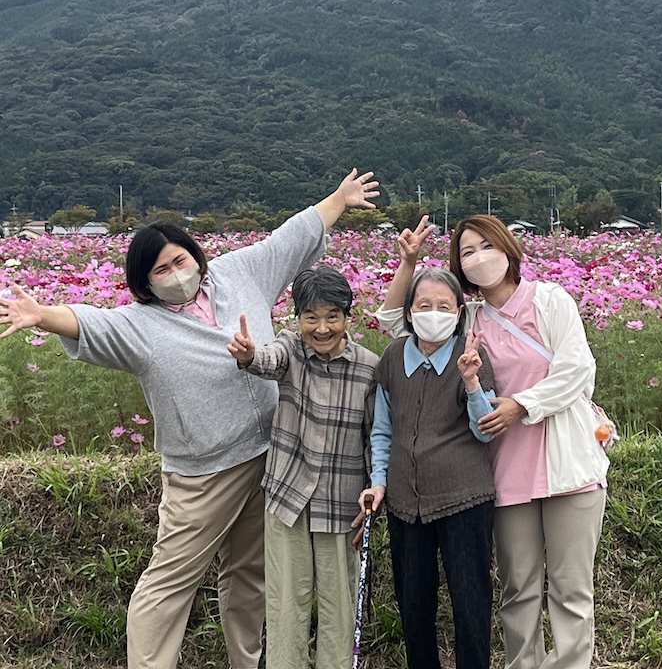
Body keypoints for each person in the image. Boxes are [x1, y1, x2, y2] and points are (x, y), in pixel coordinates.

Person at [0, 169, 379, 669]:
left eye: (181, 259)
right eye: (161, 270)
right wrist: (43, 315)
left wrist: (338, 199)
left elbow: (290, 238)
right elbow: (90, 320)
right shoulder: (140, 326)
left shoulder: (239, 273)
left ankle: (248, 661)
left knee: (248, 572)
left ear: (196, 257)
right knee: (170, 580)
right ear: (144, 282)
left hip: (270, 456)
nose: (176, 272)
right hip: (203, 472)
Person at [376, 215, 609, 669]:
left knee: (571, 589)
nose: (479, 257)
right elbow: (392, 322)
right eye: (467, 252)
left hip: (568, 464)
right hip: (507, 471)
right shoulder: (469, 319)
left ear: (508, 248)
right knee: (517, 588)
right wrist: (408, 263)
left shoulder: (550, 301)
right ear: (460, 269)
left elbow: (576, 369)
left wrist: (521, 405)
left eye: (487, 245)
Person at [226, 265, 379, 669]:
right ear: (298, 319)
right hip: (287, 497)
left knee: (339, 609)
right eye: (311, 317)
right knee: (285, 605)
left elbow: (375, 438)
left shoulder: (369, 367)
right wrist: (249, 355)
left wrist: (372, 497)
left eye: (332, 316)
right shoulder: (290, 349)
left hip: (342, 505)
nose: (322, 328)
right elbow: (268, 360)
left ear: (349, 316)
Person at [358, 266, 497, 669]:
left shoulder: (470, 357)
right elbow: (382, 430)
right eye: (424, 305)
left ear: (458, 312)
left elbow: (485, 432)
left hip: (464, 498)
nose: (433, 313)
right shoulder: (391, 358)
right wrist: (379, 482)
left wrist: (470, 383)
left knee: (470, 600)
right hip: (405, 502)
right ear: (409, 311)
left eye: (444, 306)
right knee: (413, 601)